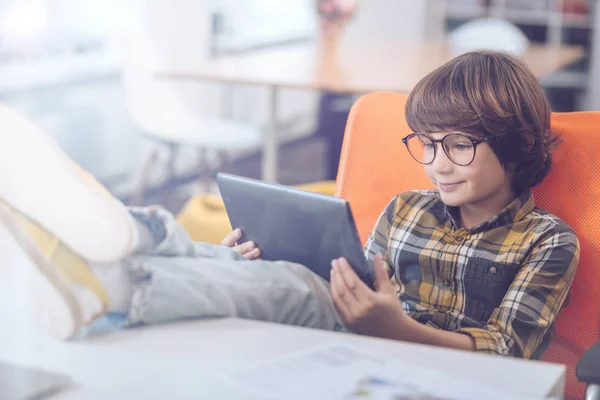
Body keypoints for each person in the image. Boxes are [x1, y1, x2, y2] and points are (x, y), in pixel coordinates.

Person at [0, 50, 578, 360]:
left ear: (516, 143)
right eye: (426, 144)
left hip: (426, 361)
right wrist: (271, 263)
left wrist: (393, 325)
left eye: (458, 145)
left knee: (296, 290)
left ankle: (108, 270)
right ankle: (117, 240)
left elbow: (508, 353)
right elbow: (356, 278)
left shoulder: (548, 241)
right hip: (358, 334)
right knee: (252, 267)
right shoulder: (408, 208)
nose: (436, 163)